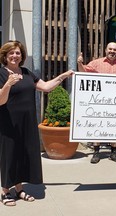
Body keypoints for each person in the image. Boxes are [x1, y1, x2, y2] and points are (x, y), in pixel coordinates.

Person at [0, 40, 73, 206]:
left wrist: (63, 76)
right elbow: (1, 100)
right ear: (5, 55)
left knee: (23, 154)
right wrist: (8, 84)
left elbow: (46, 87)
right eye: (11, 53)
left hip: (27, 122)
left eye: (17, 53)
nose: (14, 56)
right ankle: (5, 191)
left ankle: (18, 189)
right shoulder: (1, 74)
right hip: (9, 123)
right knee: (9, 155)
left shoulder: (27, 73)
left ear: (22, 56)